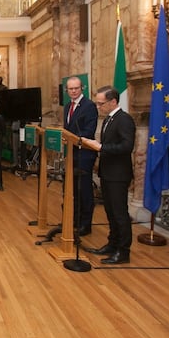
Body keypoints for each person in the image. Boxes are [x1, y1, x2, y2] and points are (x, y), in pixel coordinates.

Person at [81, 86, 135, 265]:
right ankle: (112, 244)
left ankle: (123, 251)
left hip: (119, 175)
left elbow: (127, 147)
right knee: (110, 212)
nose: (98, 107)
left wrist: (101, 147)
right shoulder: (107, 120)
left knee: (120, 214)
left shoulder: (124, 120)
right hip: (107, 172)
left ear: (113, 102)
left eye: (101, 103)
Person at [63, 77, 98, 236]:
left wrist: (72, 138)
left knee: (84, 190)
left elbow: (89, 131)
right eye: (70, 89)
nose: (73, 91)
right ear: (67, 90)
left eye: (76, 88)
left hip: (84, 154)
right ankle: (75, 220)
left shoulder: (89, 106)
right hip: (71, 153)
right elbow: (67, 128)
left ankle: (86, 224)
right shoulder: (67, 107)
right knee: (73, 189)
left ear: (81, 88)